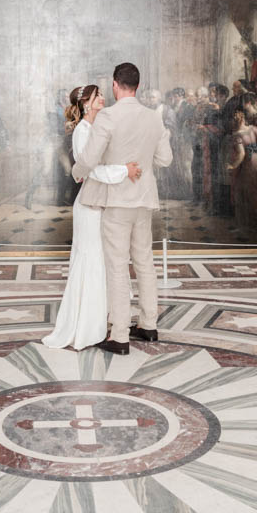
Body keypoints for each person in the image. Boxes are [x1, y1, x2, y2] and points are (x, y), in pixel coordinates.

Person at [73, 63, 173, 355]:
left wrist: (77, 172)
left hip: (116, 201)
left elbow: (89, 158)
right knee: (144, 262)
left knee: (117, 266)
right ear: (138, 86)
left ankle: (120, 335)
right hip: (144, 200)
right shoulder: (154, 118)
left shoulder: (107, 116)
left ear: (116, 85)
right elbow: (165, 159)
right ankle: (149, 325)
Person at [43, 85, 141, 350]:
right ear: (86, 103)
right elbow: (92, 171)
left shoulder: (99, 127)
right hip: (89, 206)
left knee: (107, 260)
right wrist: (125, 170)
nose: (102, 98)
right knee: (93, 260)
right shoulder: (82, 132)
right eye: (97, 96)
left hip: (105, 203)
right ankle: (88, 326)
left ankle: (110, 320)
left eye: (101, 94)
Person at [226, 110, 257, 239]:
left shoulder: (237, 135)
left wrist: (232, 166)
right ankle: (253, 225)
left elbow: (241, 154)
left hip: (249, 162)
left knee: (253, 193)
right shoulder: (252, 128)